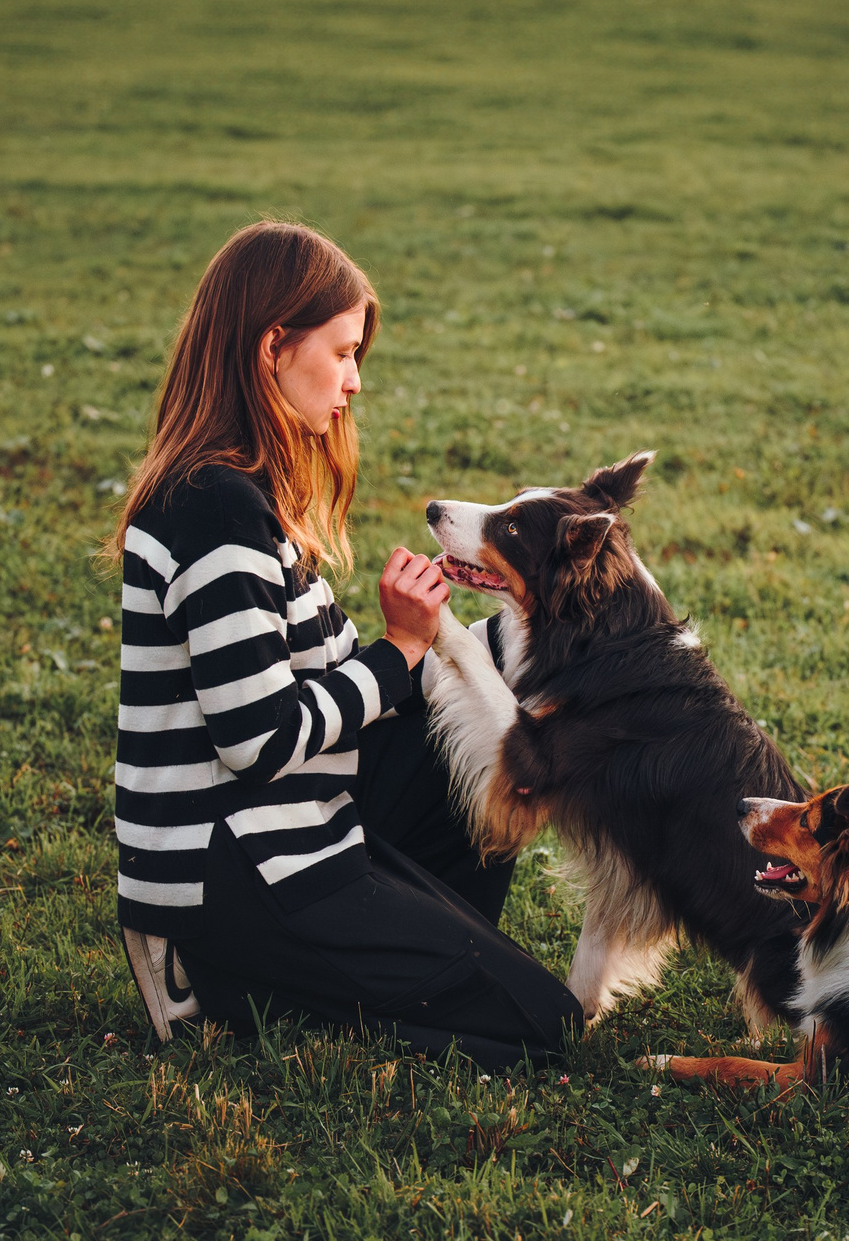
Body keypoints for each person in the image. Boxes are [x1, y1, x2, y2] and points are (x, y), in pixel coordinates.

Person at [100, 220, 579, 1069]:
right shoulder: (214, 509)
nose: (355, 381)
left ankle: (399, 951)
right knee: (544, 1023)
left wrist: (480, 641)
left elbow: (343, 684)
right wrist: (397, 649)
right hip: (233, 868)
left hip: (300, 824)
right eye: (345, 352)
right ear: (272, 347)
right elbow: (257, 737)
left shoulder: (246, 496)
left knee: (484, 712)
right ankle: (212, 977)